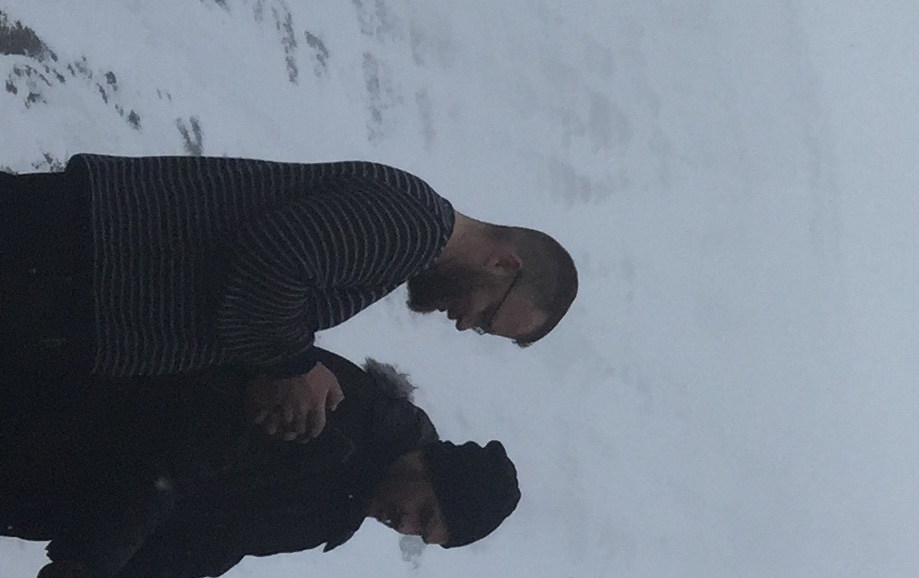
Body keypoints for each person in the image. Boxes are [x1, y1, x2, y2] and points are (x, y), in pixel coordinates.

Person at [0, 152, 577, 442]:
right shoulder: (410, 229)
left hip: (70, 271)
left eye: (482, 330)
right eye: (488, 315)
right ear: (502, 263)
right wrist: (295, 365)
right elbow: (272, 259)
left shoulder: (408, 229)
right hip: (66, 264)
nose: (466, 325)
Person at [0, 351, 517, 578]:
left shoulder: (334, 512)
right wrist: (82, 572)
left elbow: (196, 547)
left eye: (420, 533)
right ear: (430, 465)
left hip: (53, 487)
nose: (404, 525)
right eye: (423, 512)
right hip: (55, 421)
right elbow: (176, 456)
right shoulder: (333, 412)